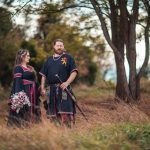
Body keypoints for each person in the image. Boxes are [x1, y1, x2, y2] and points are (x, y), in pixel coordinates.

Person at [39, 39, 78, 127]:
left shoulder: (68, 58)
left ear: (63, 47)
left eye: (61, 45)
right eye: (58, 45)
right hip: (51, 90)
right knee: (53, 114)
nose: (59, 47)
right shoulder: (48, 60)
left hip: (63, 89)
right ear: (54, 46)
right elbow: (43, 75)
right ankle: (56, 132)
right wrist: (42, 87)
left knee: (65, 112)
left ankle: (67, 132)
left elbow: (74, 72)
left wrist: (67, 82)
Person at [7, 49, 41, 127]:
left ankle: (34, 128)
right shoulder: (18, 68)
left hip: (33, 93)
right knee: (25, 111)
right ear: (22, 57)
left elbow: (35, 81)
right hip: (25, 92)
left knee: (34, 110)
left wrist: (40, 89)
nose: (29, 57)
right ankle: (24, 127)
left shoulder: (31, 68)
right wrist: (19, 96)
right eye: (28, 56)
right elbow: (17, 82)